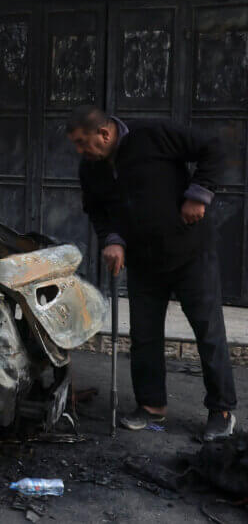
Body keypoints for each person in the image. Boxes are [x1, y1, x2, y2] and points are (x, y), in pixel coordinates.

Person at [66, 105, 236, 441]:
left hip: (190, 253)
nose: (80, 151)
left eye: (83, 142)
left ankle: (222, 410)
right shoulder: (91, 168)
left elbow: (213, 147)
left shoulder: (153, 134)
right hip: (143, 261)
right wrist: (112, 239)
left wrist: (198, 194)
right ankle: (152, 406)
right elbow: (97, 210)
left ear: (104, 133)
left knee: (208, 332)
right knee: (144, 335)